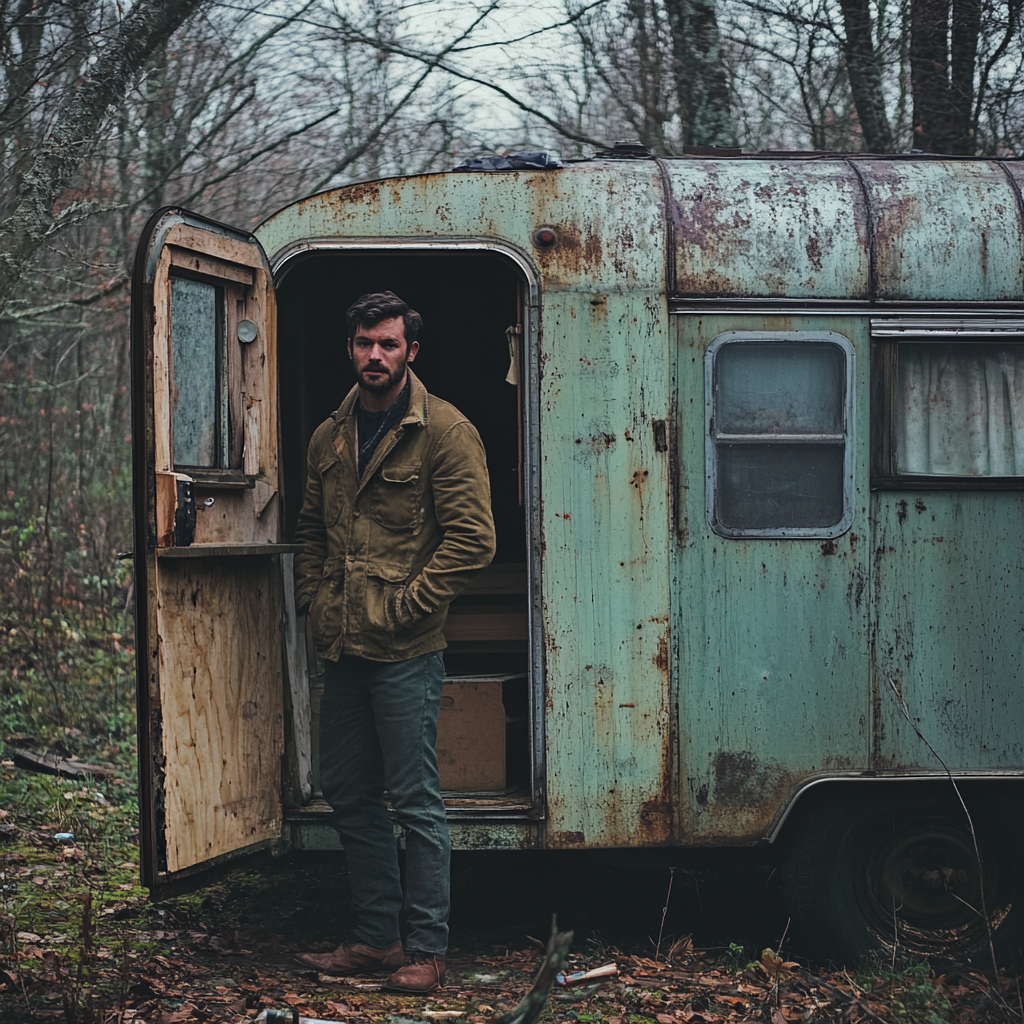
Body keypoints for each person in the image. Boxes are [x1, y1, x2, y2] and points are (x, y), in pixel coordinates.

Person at [292, 291, 496, 993]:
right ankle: (377, 940)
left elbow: (474, 541)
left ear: (412, 351)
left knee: (415, 801)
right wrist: (313, 597)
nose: (373, 356)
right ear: (349, 349)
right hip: (343, 649)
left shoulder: (445, 431)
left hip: (407, 650)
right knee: (349, 793)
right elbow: (313, 530)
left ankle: (427, 952)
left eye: (386, 344)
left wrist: (411, 604)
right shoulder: (330, 435)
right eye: (362, 344)